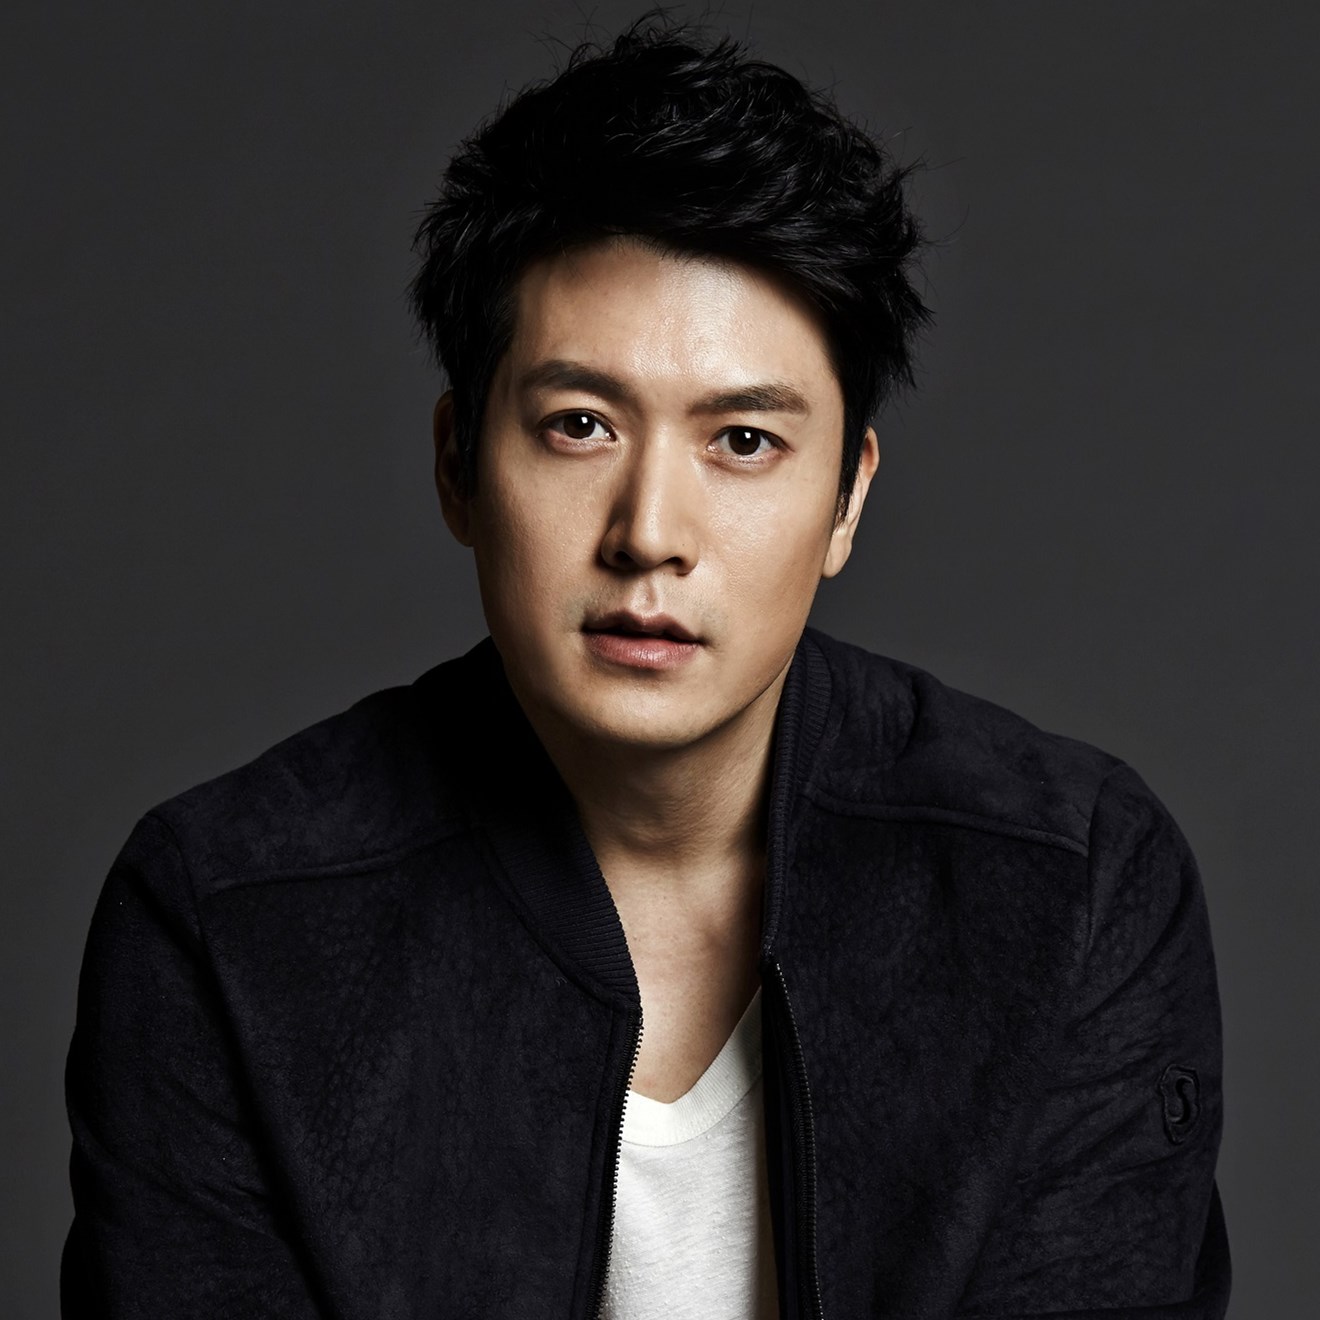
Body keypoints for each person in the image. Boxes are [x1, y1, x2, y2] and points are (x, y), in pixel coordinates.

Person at [60, 11, 1229, 1319]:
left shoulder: (1068, 884)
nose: (650, 533)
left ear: (848, 500)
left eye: (743, 442)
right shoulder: (228, 917)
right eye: (578, 425)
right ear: (457, 464)